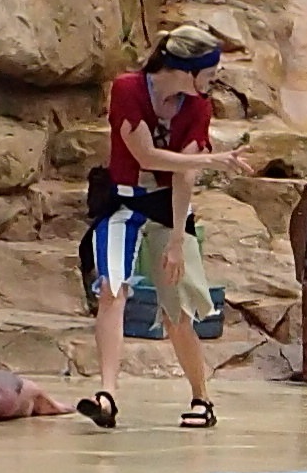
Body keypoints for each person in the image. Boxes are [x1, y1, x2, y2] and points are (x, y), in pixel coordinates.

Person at [79, 24, 236, 431]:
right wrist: (210, 160)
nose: (214, 80)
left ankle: (201, 398)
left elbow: (183, 176)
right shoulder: (128, 89)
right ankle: (107, 395)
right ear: (186, 69)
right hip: (123, 201)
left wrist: (178, 239)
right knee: (112, 289)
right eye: (209, 72)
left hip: (169, 208)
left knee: (177, 310)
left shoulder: (198, 107)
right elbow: (145, 156)